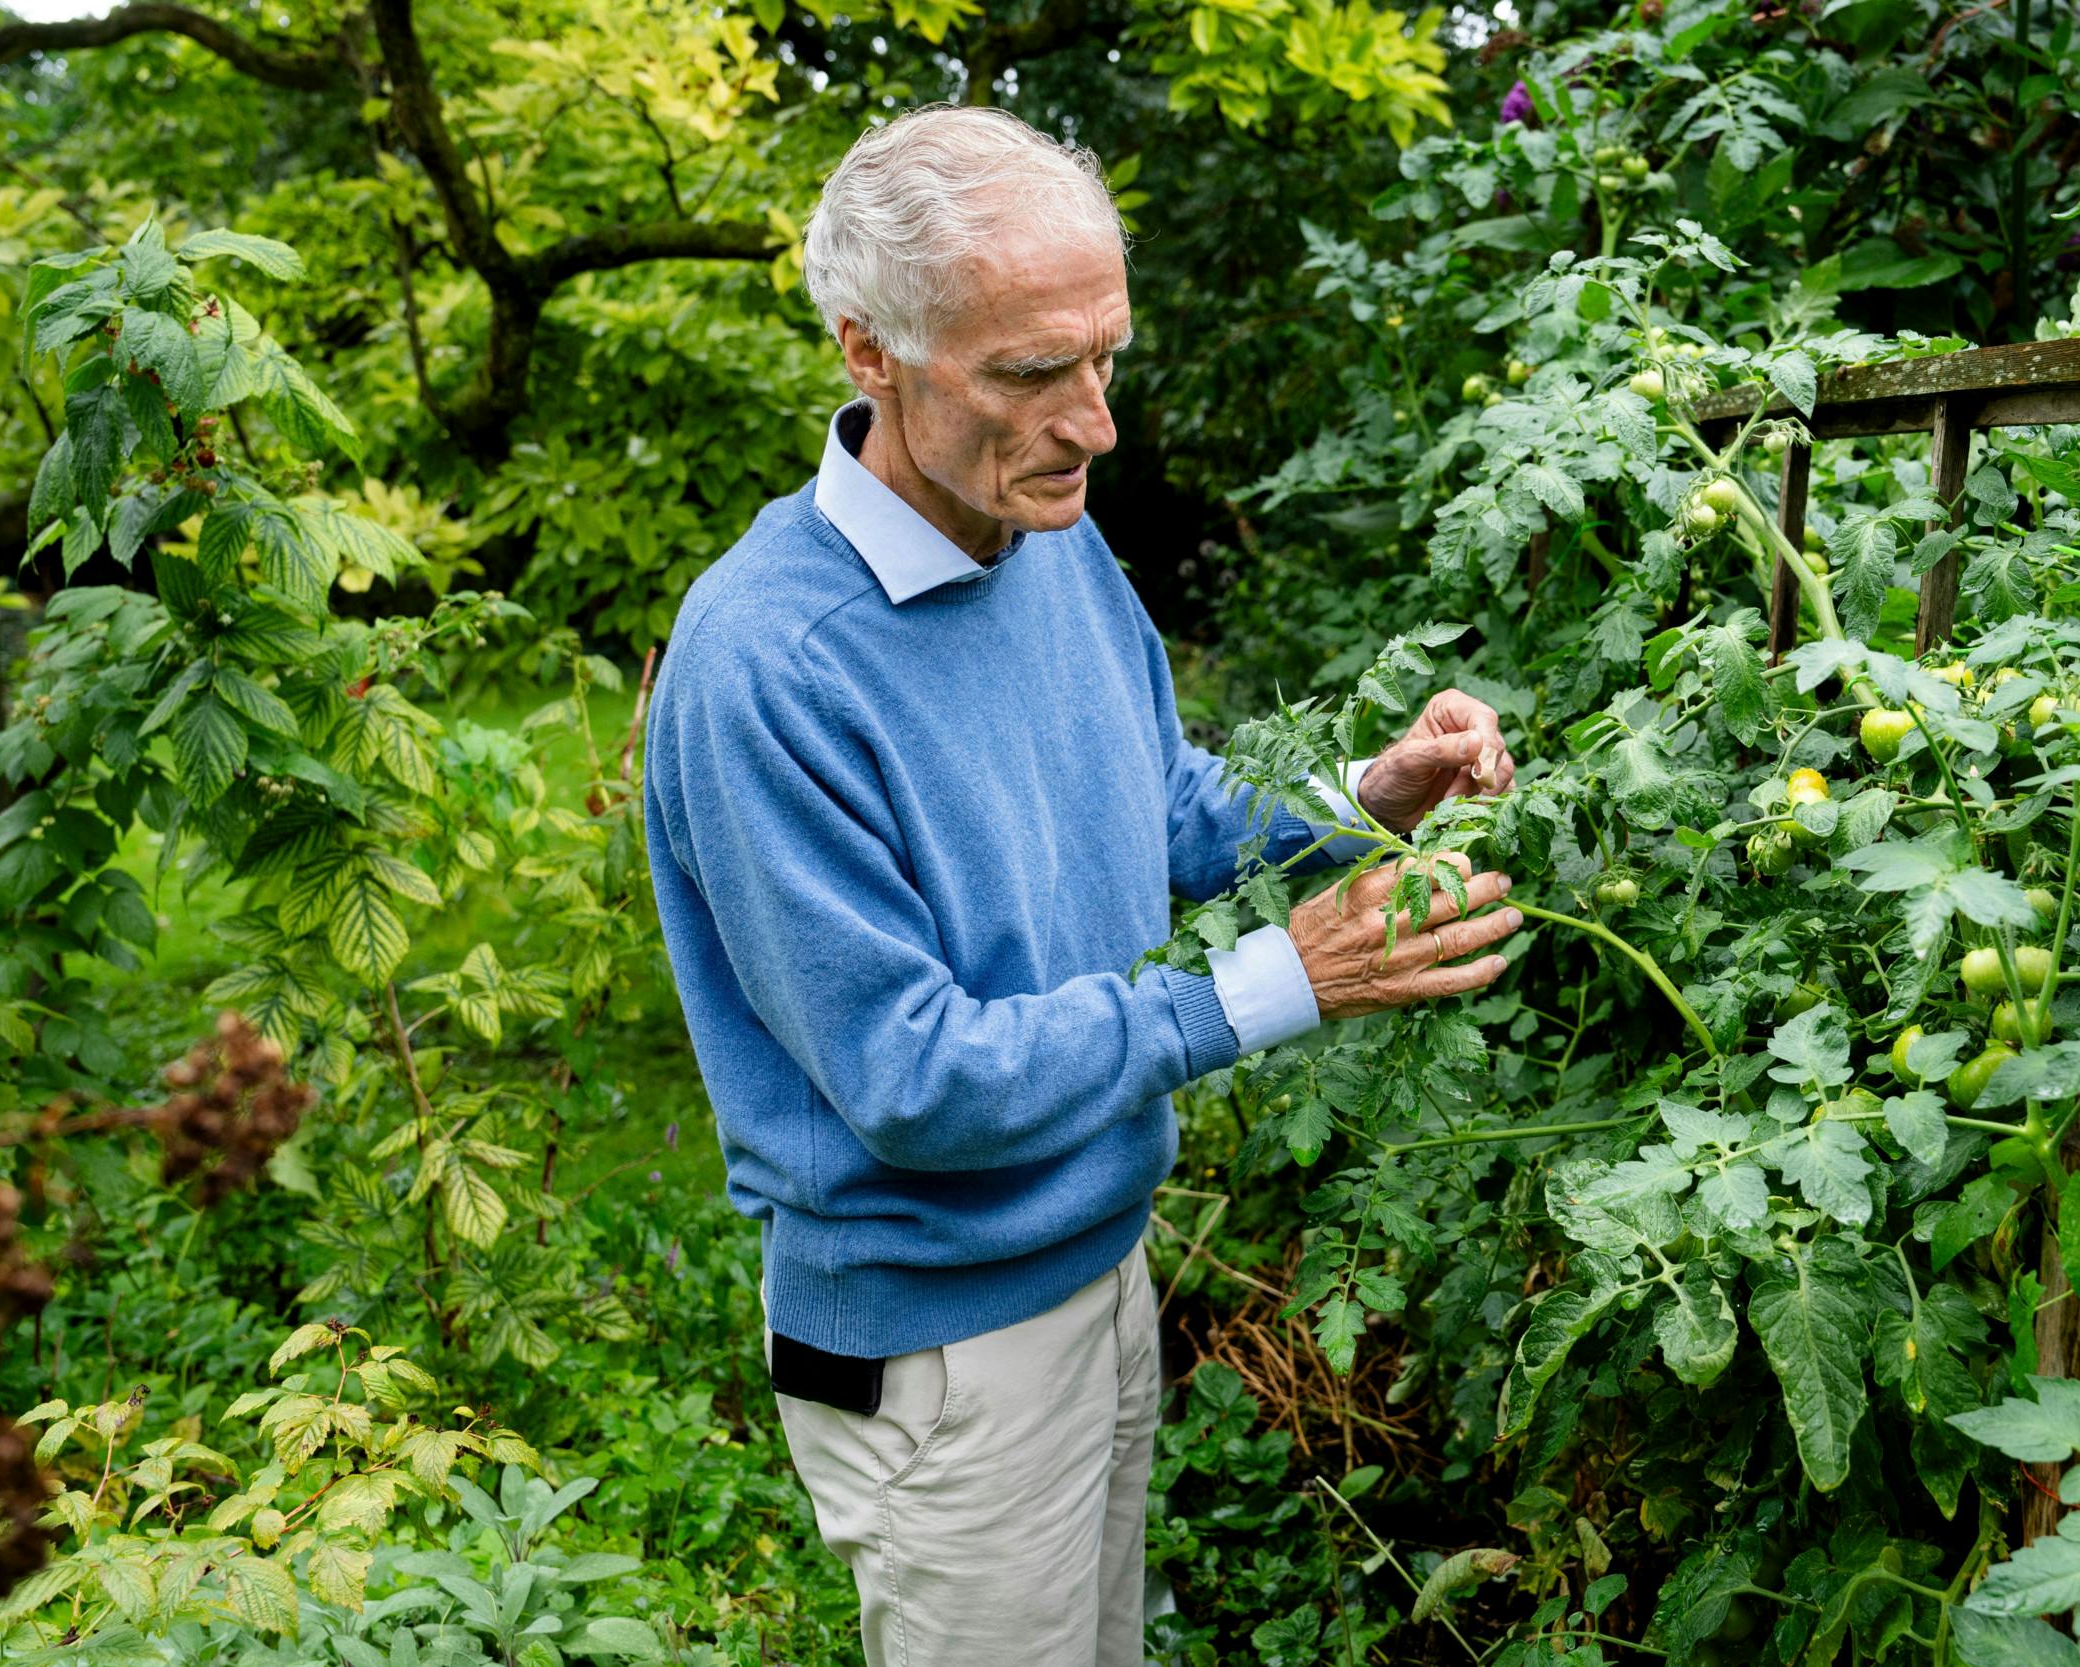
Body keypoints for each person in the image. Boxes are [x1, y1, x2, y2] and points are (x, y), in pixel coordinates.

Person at [641, 103, 1521, 1667]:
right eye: (1031, 373)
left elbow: (1155, 798)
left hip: (1101, 1265)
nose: (1094, 424)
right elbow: (913, 1079)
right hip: (940, 1345)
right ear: (870, 354)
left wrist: (1359, 804)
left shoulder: (1041, 530)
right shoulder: (768, 667)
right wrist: (1280, 983)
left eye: (1104, 357)